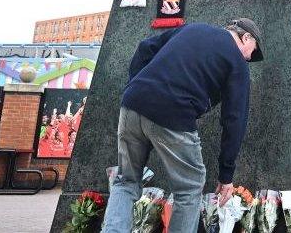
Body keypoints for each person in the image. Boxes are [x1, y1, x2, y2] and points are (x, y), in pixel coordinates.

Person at [102, 18, 264, 233]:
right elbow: (234, 119)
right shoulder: (237, 61)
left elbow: (144, 48)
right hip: (174, 114)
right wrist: (226, 175)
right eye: (252, 51)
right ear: (246, 37)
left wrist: (136, 85)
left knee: (126, 181)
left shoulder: (193, 28)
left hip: (132, 104)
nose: (249, 58)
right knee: (188, 190)